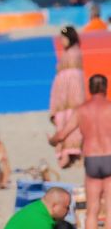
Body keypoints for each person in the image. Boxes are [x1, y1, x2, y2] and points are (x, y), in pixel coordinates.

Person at [51, 73, 111, 229]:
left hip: (92, 158)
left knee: (92, 209)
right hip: (108, 156)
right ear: (105, 88)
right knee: (109, 208)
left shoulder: (82, 110)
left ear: (90, 89)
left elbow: (62, 135)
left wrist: (51, 140)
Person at [49, 26, 85, 168]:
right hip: (63, 95)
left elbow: (75, 79)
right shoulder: (67, 53)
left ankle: (73, 152)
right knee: (63, 119)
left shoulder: (74, 53)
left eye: (64, 38)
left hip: (71, 94)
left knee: (72, 121)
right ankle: (66, 152)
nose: (62, 41)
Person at [0, 186, 71, 229]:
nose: (69, 211)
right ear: (54, 206)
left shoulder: (36, 209)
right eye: (66, 207)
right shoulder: (41, 221)